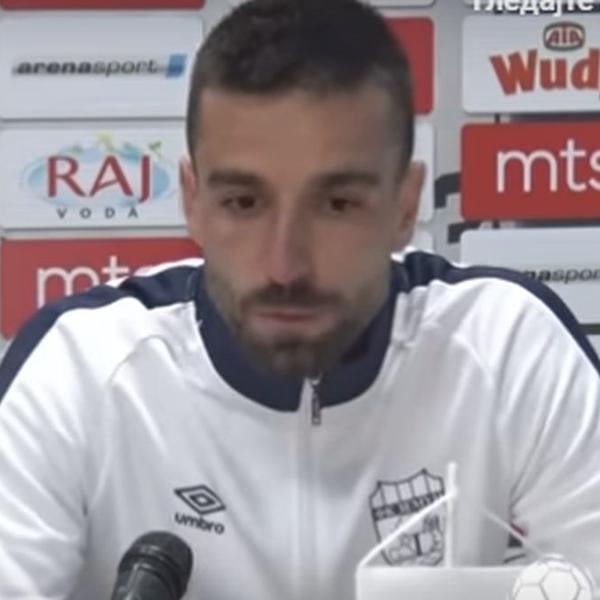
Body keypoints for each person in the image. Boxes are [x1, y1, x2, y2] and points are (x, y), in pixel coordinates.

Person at [1, 0, 600, 598]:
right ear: (193, 201)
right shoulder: (80, 371)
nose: (285, 266)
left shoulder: (507, 347)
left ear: (405, 204)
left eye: (337, 204)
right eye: (244, 203)